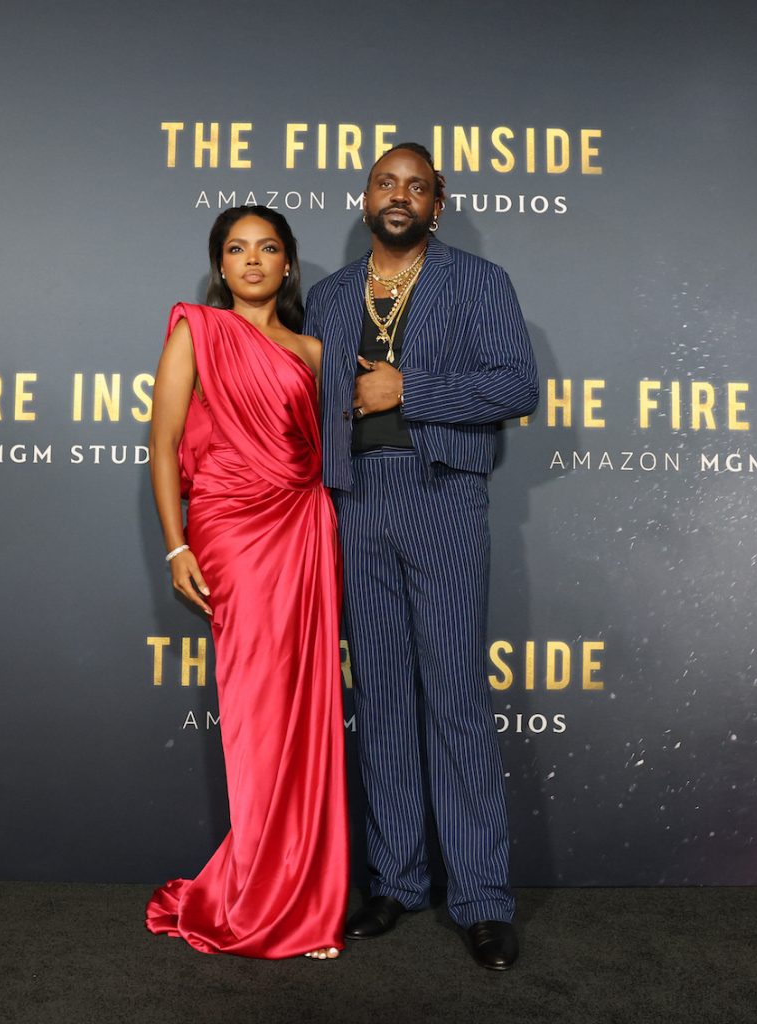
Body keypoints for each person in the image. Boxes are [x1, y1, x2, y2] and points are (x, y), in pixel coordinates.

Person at [303, 143, 539, 971]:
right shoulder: (328, 299)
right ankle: (396, 881)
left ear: (436, 206)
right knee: (385, 701)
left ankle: (481, 898)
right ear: (364, 197)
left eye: (417, 186)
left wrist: (411, 389)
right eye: (385, 182)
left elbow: (518, 386)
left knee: (456, 700)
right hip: (353, 503)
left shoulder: (481, 283)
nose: (399, 196)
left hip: (441, 497)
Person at [144, 205, 346, 961]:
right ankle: (262, 895)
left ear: (288, 264)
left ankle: (306, 899)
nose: (253, 260)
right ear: (220, 265)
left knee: (310, 713)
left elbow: (333, 447)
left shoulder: (316, 351)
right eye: (238, 249)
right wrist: (175, 547)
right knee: (260, 714)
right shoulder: (197, 330)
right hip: (231, 528)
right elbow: (163, 445)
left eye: (268, 248)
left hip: (304, 525)